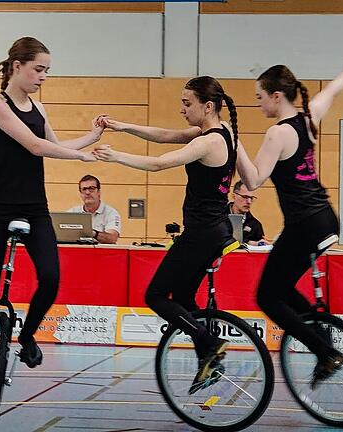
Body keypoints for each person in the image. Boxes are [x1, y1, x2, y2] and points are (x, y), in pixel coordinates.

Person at [0, 36, 101, 412]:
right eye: (38, 69)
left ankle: (27, 336)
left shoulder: (39, 107)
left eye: (47, 70)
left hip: (35, 208)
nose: (43, 76)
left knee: (51, 277)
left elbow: (56, 143)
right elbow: (35, 146)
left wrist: (93, 137)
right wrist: (82, 156)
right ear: (17, 66)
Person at [95, 76, 238, 391]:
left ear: (208, 105)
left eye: (188, 103)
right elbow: (164, 136)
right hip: (217, 230)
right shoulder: (221, 132)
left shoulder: (207, 142)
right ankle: (208, 358)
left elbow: (159, 164)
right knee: (184, 298)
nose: (182, 109)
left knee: (155, 296)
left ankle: (209, 343)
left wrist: (115, 156)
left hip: (201, 234)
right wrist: (122, 126)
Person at [235, 56, 343, 387]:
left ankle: (324, 350)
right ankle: (321, 331)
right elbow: (332, 92)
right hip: (326, 219)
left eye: (260, 97)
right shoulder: (308, 119)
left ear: (276, 96)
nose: (258, 104)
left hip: (304, 224)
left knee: (266, 297)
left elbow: (252, 182)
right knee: (281, 289)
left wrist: (233, 141)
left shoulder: (277, 133)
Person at [67, 174, 121, 244]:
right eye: (84, 189)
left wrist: (92, 233)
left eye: (91, 188)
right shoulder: (72, 213)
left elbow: (112, 238)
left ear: (98, 192)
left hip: (102, 253)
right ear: (80, 193)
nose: (87, 192)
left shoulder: (111, 213)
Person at [228, 180, 268, 245]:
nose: (249, 202)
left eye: (251, 198)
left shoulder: (255, 225)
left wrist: (261, 244)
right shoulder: (218, 217)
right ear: (234, 196)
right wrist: (248, 242)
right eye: (245, 197)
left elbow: (260, 247)